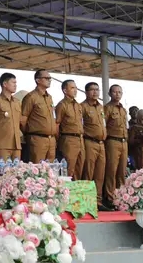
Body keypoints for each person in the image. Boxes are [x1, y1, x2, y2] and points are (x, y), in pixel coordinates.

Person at [81, 82, 107, 210]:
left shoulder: (101, 107)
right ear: (86, 92)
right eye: (92, 90)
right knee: (88, 172)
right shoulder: (82, 107)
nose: (95, 92)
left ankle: (98, 201)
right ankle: (87, 201)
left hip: (101, 144)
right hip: (89, 142)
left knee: (100, 174)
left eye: (97, 89)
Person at [21, 69, 56, 163]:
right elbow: (23, 119)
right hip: (37, 139)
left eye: (50, 78)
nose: (49, 80)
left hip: (51, 140)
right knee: (37, 168)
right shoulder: (31, 97)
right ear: (38, 80)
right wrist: (29, 135)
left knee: (51, 169)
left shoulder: (49, 97)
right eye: (46, 78)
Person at [103, 84, 128, 208]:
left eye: (119, 92)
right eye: (114, 92)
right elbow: (103, 126)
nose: (117, 94)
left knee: (122, 171)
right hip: (112, 141)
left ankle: (121, 198)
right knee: (111, 171)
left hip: (124, 142)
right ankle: (110, 198)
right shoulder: (107, 108)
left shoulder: (123, 109)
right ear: (109, 93)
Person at [55, 80, 84, 179]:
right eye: (72, 88)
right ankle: (66, 188)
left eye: (76, 88)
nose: (75, 90)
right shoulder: (62, 105)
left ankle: (76, 188)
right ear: (65, 90)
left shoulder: (78, 105)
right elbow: (57, 125)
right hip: (69, 139)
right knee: (69, 169)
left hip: (80, 139)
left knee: (79, 168)